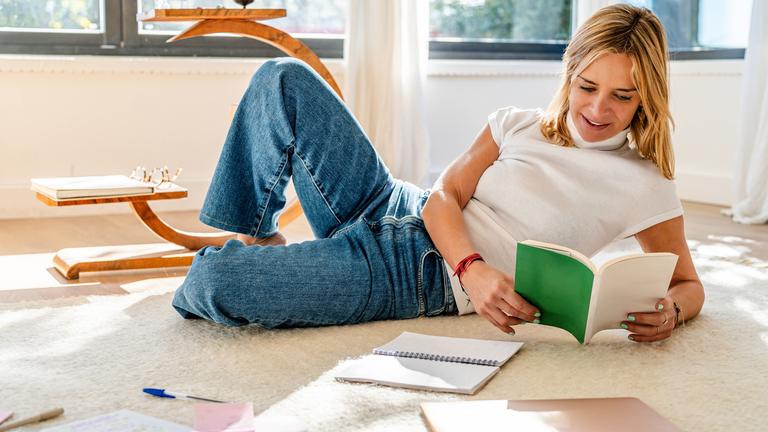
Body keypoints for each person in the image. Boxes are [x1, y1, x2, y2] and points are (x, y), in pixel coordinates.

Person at [172, 4, 704, 343]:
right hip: (397, 205)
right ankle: (258, 235)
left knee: (212, 280)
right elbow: (443, 195)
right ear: (570, 72)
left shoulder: (645, 181)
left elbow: (687, 284)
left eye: (622, 96)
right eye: (587, 86)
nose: (596, 109)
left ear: (647, 97)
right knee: (282, 77)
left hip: (417, 275)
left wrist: (672, 313)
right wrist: (472, 265)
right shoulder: (518, 125)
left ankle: (300, 261)